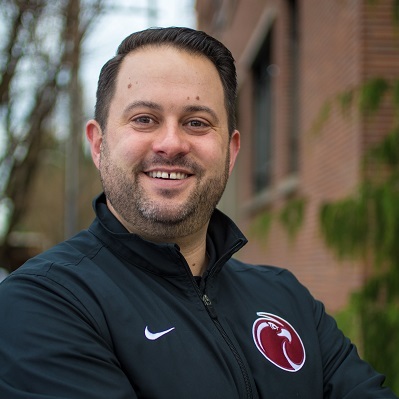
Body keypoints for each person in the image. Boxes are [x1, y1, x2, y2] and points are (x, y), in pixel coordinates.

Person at [0, 27, 396, 399]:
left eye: (196, 122)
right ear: (99, 144)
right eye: (144, 119)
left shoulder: (286, 298)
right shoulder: (42, 303)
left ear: (231, 150)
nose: (171, 143)